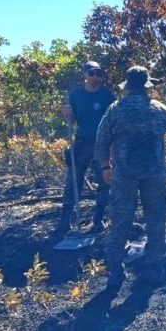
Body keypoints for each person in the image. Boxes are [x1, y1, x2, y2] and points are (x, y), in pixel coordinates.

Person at [94, 66, 166, 288]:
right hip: (154, 174)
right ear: (147, 87)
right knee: (156, 221)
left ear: (127, 87)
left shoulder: (115, 110)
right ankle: (154, 269)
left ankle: (115, 272)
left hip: (123, 174)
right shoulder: (160, 110)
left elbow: (101, 140)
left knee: (120, 221)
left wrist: (105, 168)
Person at [55, 61, 115, 235]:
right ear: (85, 74)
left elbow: (113, 120)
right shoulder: (75, 95)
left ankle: (98, 221)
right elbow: (71, 120)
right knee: (73, 182)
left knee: (105, 182)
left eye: (98, 73)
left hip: (101, 144)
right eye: (92, 73)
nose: (95, 77)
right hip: (81, 143)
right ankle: (65, 222)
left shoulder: (107, 95)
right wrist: (66, 114)